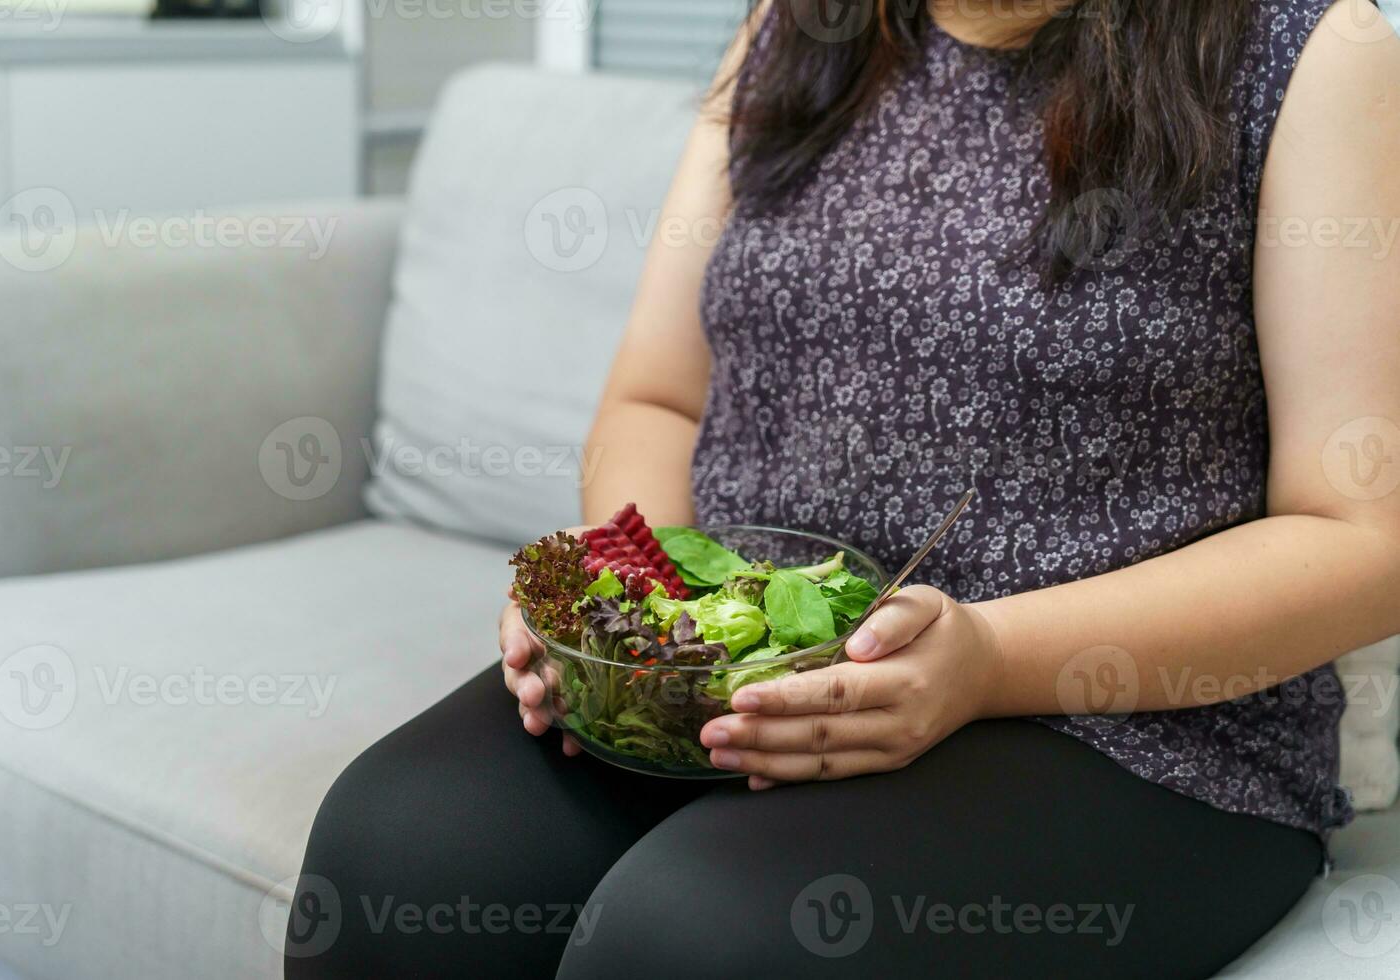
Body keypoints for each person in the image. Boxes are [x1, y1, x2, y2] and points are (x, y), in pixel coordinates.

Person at [287, 0, 1400, 975]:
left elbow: (1363, 532)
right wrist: (629, 609)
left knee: (696, 936)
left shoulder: (1312, 50)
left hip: (1132, 734)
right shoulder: (793, 30)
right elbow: (657, 399)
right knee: (397, 851)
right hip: (738, 671)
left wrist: (988, 661)